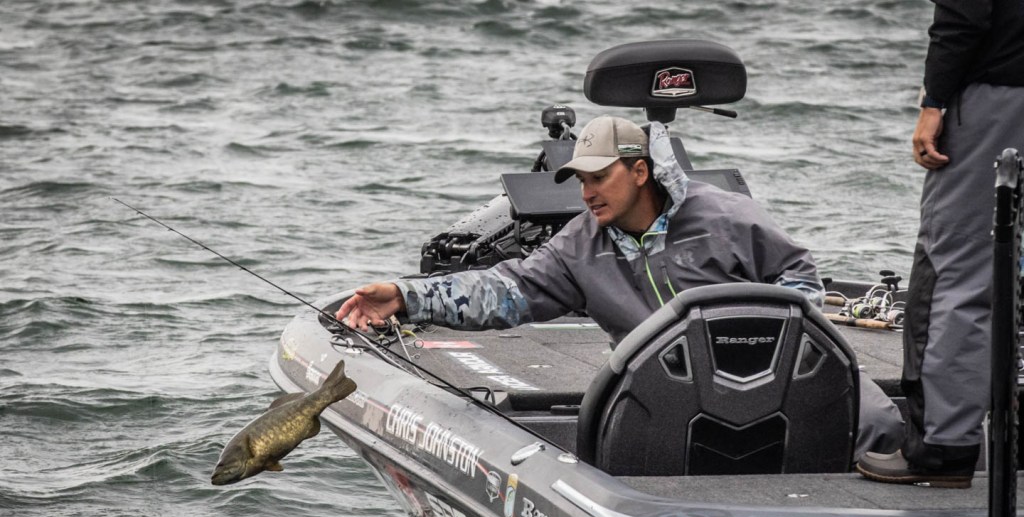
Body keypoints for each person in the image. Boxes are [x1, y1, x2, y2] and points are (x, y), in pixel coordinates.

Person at [338, 115, 905, 459]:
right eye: (580, 180)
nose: (587, 193)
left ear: (639, 171)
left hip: (770, 375)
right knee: (611, 448)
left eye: (599, 177)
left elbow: (799, 280)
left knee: (879, 422)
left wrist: (774, 352)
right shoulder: (578, 246)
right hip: (669, 392)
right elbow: (503, 290)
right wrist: (406, 296)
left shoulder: (729, 217)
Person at [856, 0, 1024, 489]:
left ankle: (942, 446)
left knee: (956, 272)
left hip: (999, 98)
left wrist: (933, 104)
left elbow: (963, 17)